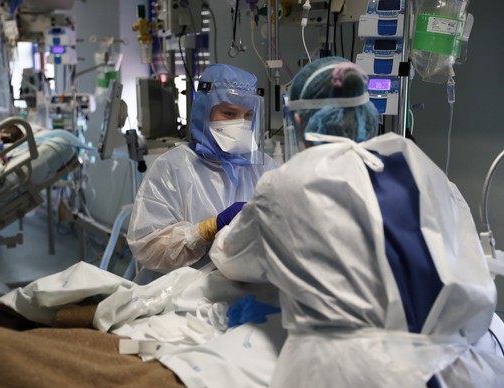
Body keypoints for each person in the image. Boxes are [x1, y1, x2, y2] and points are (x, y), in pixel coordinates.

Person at [209, 56, 504, 387]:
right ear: (364, 113)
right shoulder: (423, 170)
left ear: (302, 120)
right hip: (460, 361)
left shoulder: (287, 183)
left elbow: (234, 261)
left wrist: (220, 231)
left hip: (348, 370)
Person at [127, 64, 278, 282]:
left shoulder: (264, 167)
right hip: (177, 294)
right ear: (204, 109)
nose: (241, 124)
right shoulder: (173, 167)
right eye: (229, 113)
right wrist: (206, 229)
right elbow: (147, 249)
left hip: (241, 290)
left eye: (248, 115)